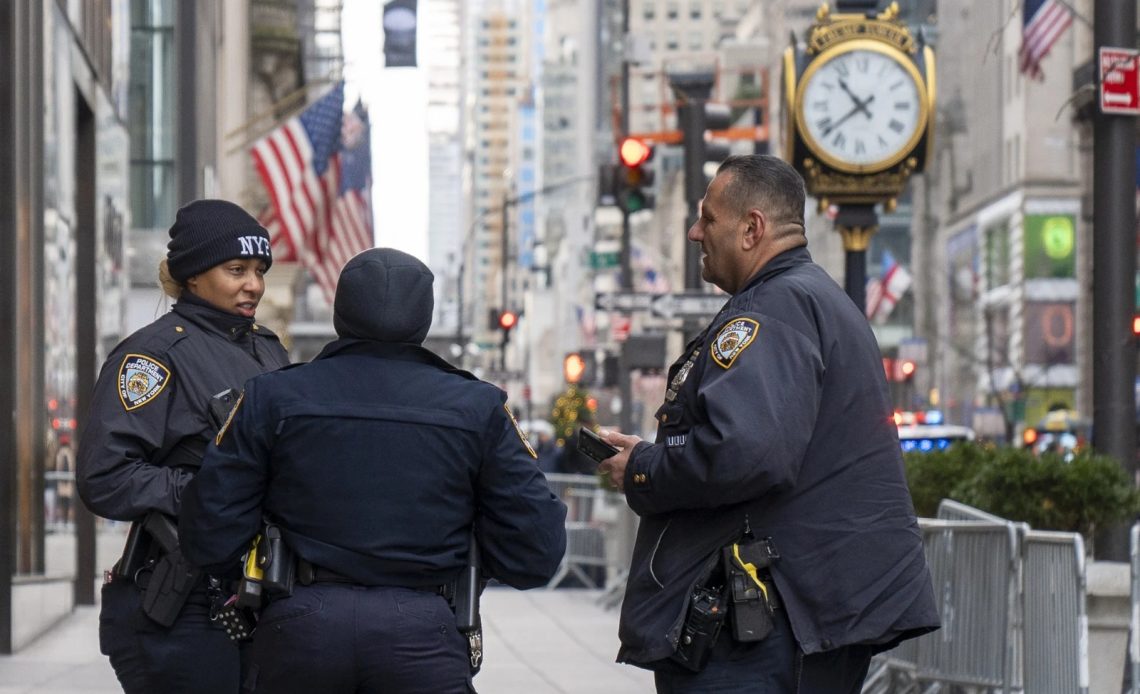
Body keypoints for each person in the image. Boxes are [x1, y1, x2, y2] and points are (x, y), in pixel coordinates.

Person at [596, 155, 940, 693]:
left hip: (771, 626)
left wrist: (643, 468)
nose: (694, 232)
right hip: (805, 612)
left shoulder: (771, 310)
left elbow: (747, 453)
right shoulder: (810, 298)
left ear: (752, 228)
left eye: (708, 219)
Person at [178, 247, 567, 694]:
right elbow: (537, 549)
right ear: (424, 319)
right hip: (424, 632)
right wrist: (468, 552)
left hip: (299, 630)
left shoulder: (272, 397)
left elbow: (209, 532)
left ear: (340, 313)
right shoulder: (477, 407)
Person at [77, 199, 291, 693]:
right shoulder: (151, 356)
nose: (253, 284)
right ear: (192, 275)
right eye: (236, 269)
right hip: (179, 604)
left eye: (259, 270)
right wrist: (207, 492)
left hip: (251, 597)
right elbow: (105, 476)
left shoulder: (267, 347)